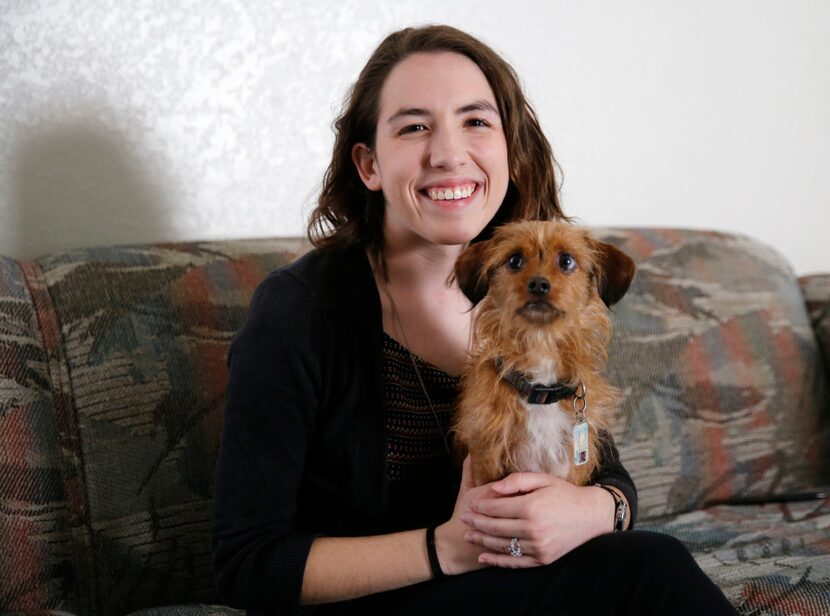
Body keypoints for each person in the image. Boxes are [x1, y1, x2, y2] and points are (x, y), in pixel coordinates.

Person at [212, 25, 736, 615]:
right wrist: (446, 549)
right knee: (652, 569)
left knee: (650, 560)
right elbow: (247, 563)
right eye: (414, 126)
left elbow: (605, 473)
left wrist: (591, 511)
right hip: (378, 600)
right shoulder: (299, 312)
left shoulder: (538, 294)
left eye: (476, 121)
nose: (448, 153)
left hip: (509, 586)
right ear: (369, 165)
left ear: (509, 149)